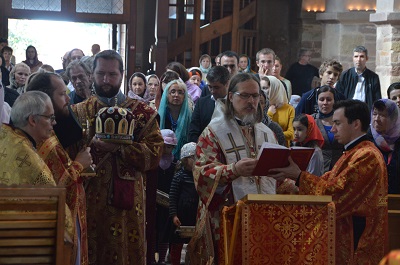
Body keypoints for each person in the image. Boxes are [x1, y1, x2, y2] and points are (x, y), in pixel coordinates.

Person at [69, 50, 164, 265]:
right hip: (89, 200)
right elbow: (67, 157)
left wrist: (118, 149)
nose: (106, 79)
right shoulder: (77, 112)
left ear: (122, 74)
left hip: (127, 203)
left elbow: (154, 154)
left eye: (112, 74)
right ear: (92, 73)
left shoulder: (142, 113)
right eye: (101, 73)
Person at [268, 99, 388, 264]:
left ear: (356, 124)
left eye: (337, 123)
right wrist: (287, 181)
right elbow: (325, 180)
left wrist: (299, 177)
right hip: (346, 232)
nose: (332, 129)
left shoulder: (366, 156)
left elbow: (336, 194)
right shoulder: (353, 153)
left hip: (357, 239)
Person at [189, 73, 278, 263]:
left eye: (255, 96)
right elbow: (202, 172)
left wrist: (290, 178)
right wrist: (233, 170)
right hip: (226, 215)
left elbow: (275, 175)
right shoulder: (213, 132)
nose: (251, 101)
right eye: (244, 95)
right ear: (231, 97)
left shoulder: (268, 133)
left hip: (262, 215)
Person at [25, 72, 93, 265]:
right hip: (57, 225)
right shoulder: (43, 140)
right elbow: (55, 187)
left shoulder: (47, 132)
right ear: (46, 98)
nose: (68, 98)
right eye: (62, 94)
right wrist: (80, 164)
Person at [0, 90, 74, 241]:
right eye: (50, 117)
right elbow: (59, 215)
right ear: (33, 120)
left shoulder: (5, 134)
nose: (54, 122)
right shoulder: (30, 161)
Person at [277, 113, 325, 194]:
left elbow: (313, 177)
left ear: (309, 129)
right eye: (294, 129)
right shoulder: (295, 147)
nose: (295, 133)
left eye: (299, 129)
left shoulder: (315, 152)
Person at [168, 142, 199, 265]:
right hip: (181, 215)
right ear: (186, 160)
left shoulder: (199, 177)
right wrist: (174, 215)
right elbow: (173, 197)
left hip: (195, 214)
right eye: (193, 158)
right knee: (177, 242)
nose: (196, 161)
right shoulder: (179, 176)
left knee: (194, 242)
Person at [188, 66, 230, 143]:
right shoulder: (202, 103)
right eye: (210, 87)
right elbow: (193, 132)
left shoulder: (234, 103)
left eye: (216, 87)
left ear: (227, 84)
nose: (212, 91)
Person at [336, 45, 381, 110]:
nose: (358, 59)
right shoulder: (345, 75)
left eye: (362, 56)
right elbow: (338, 97)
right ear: (353, 58)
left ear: (367, 59)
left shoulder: (374, 77)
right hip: (348, 111)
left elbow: (377, 99)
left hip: (366, 112)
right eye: (356, 56)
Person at [370, 99, 400, 194]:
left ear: (393, 118)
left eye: (382, 115)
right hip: (373, 199)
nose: (376, 119)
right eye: (374, 114)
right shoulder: (367, 140)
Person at [312, 85, 344, 172]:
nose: (325, 103)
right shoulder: (311, 121)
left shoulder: (342, 121)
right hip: (317, 168)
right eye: (321, 99)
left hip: (339, 168)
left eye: (329, 100)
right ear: (317, 101)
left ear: (334, 101)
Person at [158, 79, 192, 159]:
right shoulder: (161, 115)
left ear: (184, 96)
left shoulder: (190, 115)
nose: (176, 95)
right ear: (167, 95)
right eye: (173, 92)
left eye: (180, 92)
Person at [267, 75, 295, 147]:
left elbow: (291, 134)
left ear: (275, 89)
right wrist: (269, 114)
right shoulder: (261, 107)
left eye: (266, 88)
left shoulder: (289, 109)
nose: (264, 91)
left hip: (283, 147)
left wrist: (274, 134)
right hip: (266, 146)